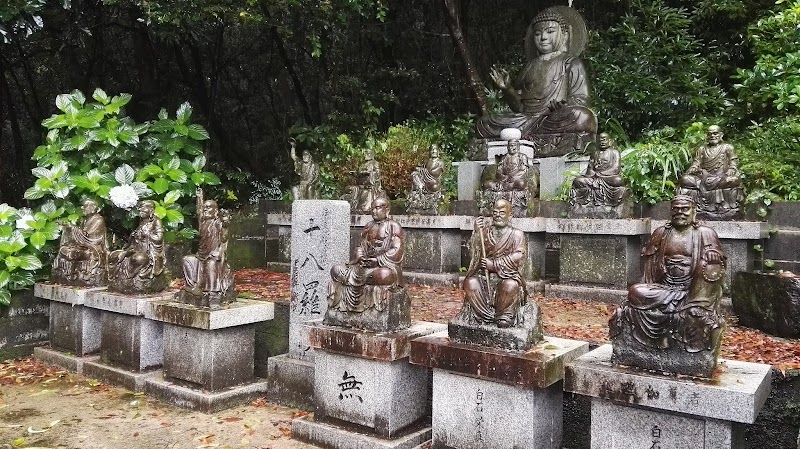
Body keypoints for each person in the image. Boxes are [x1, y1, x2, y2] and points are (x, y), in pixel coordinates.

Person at [609, 195, 725, 353]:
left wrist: (712, 255)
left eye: (685, 209)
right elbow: (649, 263)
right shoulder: (661, 232)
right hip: (665, 287)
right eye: (676, 209)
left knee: (708, 266)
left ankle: (692, 307)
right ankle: (668, 312)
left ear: (694, 211)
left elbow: (717, 256)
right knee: (636, 291)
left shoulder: (705, 233)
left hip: (691, 290)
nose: (680, 213)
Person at [476, 6, 597, 140]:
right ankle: (530, 133)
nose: (543, 37)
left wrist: (564, 105)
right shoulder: (530, 66)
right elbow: (519, 108)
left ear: (564, 35)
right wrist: (508, 89)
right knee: (484, 123)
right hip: (526, 118)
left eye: (550, 32)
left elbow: (582, 98)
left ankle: (527, 134)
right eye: (537, 34)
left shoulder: (570, 63)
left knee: (582, 117)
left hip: (553, 117)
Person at [459, 199, 526, 328]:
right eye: (495, 213)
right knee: (470, 283)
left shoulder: (517, 234)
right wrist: (476, 232)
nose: (497, 216)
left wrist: (494, 264)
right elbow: (474, 251)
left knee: (510, 286)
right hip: (485, 277)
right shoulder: (485, 232)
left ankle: (504, 315)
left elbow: (519, 256)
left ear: (510, 215)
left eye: (502, 213)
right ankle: (485, 315)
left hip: (506, 275)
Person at [329, 198, 403, 313]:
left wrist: (377, 260)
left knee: (384, 275)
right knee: (336, 270)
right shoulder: (368, 226)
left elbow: (397, 250)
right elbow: (360, 246)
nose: (374, 211)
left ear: (387, 209)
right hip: (363, 266)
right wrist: (360, 257)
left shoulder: (394, 226)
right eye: (372, 208)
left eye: (377, 208)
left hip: (381, 266)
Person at [181, 188, 234, 307]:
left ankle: (212, 293)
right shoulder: (203, 221)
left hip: (213, 256)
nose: (205, 209)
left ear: (215, 211)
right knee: (187, 260)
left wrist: (225, 225)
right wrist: (200, 197)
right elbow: (199, 210)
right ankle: (193, 287)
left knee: (211, 265)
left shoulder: (217, 223)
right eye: (205, 207)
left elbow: (224, 238)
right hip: (201, 256)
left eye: (209, 207)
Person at [678, 125, 743, 219]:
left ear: (721, 134)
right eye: (710, 134)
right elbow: (696, 163)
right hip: (704, 178)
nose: (712, 136)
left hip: (721, 177)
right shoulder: (701, 149)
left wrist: (731, 169)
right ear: (706, 136)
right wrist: (693, 169)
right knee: (685, 179)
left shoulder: (727, 147)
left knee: (734, 180)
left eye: (715, 133)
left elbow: (733, 161)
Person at [108, 200, 167, 292]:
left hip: (147, 251)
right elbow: (133, 238)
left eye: (144, 209)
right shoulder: (141, 221)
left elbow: (159, 238)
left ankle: (129, 278)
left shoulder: (156, 221)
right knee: (113, 255)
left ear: (151, 210)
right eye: (140, 210)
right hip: (134, 248)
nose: (141, 211)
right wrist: (134, 235)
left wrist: (147, 234)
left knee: (138, 258)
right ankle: (118, 278)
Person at [52, 199, 108, 287]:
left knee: (76, 253)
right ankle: (67, 275)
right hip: (82, 245)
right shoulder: (85, 220)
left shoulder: (98, 220)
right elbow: (80, 234)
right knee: (63, 249)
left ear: (93, 208)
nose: (82, 208)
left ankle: (77, 275)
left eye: (85, 206)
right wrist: (68, 228)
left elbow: (87, 236)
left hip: (93, 247)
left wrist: (72, 228)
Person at [570, 133, 626, 207]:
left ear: (610, 141)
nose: (602, 142)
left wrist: (601, 174)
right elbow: (590, 169)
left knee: (618, 180)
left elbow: (616, 169)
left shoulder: (615, 153)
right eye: (600, 140)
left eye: (604, 140)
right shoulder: (595, 153)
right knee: (577, 180)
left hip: (607, 177)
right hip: (594, 178)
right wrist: (592, 173)